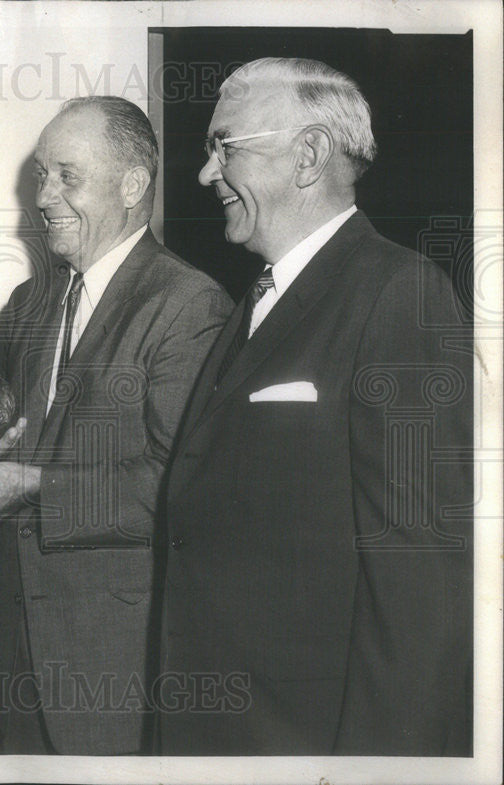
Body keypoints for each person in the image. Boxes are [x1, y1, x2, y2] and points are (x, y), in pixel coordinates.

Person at [157, 57, 472, 755]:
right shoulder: (255, 302)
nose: (207, 174)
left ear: (308, 155)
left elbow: (421, 584)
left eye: (225, 146)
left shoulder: (400, 295)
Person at [0, 96, 233, 754]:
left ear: (133, 184)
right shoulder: (28, 304)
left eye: (68, 175)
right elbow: (20, 444)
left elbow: (177, 489)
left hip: (113, 666)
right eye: (40, 174)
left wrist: (33, 483)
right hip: (12, 658)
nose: (43, 195)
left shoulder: (188, 304)